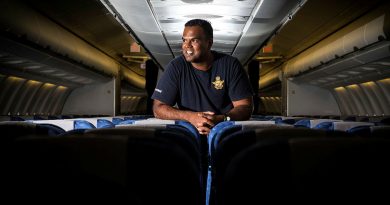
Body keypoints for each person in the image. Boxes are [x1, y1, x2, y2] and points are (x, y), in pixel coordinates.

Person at [152, 19, 254, 135]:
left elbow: (245, 107)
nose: (186, 46)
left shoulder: (230, 65)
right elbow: (158, 108)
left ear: (209, 43)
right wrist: (191, 117)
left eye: (194, 40)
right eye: (184, 40)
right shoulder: (176, 67)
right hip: (189, 134)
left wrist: (221, 119)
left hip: (225, 132)